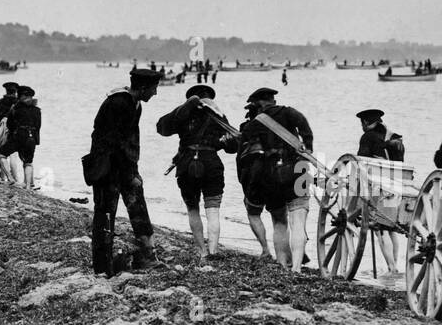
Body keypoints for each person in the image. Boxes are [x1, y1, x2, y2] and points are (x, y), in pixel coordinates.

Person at [228, 87, 314, 271]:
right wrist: (308, 150)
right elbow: (306, 129)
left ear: (257, 105)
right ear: (272, 101)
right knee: (298, 221)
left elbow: (244, 158)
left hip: (270, 176)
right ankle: (297, 267)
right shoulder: (289, 112)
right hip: (298, 169)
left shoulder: (252, 125)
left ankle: (282, 264)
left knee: (279, 222)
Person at [88, 67, 163, 276]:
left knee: (139, 211)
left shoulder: (135, 104)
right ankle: (102, 268)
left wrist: (133, 171)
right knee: (105, 215)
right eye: (154, 88)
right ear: (143, 87)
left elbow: (129, 143)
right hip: (108, 169)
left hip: (125, 167)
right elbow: (112, 142)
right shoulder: (119, 103)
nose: (155, 93)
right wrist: (129, 173)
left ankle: (149, 257)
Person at [156, 83, 236, 261]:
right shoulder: (219, 116)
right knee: (213, 210)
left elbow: (161, 127)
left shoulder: (184, 114)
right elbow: (233, 147)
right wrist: (221, 141)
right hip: (212, 163)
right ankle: (213, 250)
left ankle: (202, 252)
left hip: (186, 163)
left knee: (193, 210)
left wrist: (184, 108)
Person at [355, 108, 405, 274]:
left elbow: (360, 163)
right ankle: (394, 266)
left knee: (380, 228)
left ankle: (391, 267)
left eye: (362, 123)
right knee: (390, 228)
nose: (361, 126)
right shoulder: (394, 137)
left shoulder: (367, 137)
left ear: (366, 122)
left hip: (378, 187)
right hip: (396, 185)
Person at [3, 84, 42, 189]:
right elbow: (38, 126)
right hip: (32, 138)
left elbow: (9, 124)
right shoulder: (37, 110)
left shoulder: (15, 108)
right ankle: (28, 185)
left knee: (1, 154)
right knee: (28, 162)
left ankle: (10, 179)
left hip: (18, 136)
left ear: (20, 97)